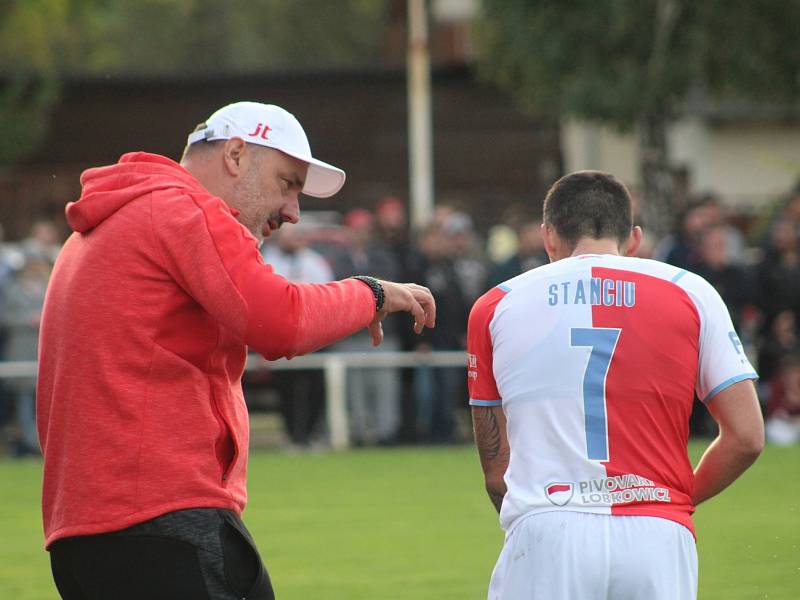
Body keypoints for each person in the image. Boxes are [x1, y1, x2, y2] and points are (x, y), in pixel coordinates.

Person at [36, 101, 435, 600]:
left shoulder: (112, 221)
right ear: (237, 155)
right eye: (288, 183)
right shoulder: (183, 208)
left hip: (84, 531)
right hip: (163, 519)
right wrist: (373, 293)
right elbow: (280, 321)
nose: (293, 212)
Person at [467, 170, 763, 600]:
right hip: (658, 532)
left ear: (548, 237)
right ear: (635, 238)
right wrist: (671, 500)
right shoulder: (692, 291)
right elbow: (748, 438)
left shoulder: (496, 304)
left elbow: (497, 473)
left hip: (549, 525)